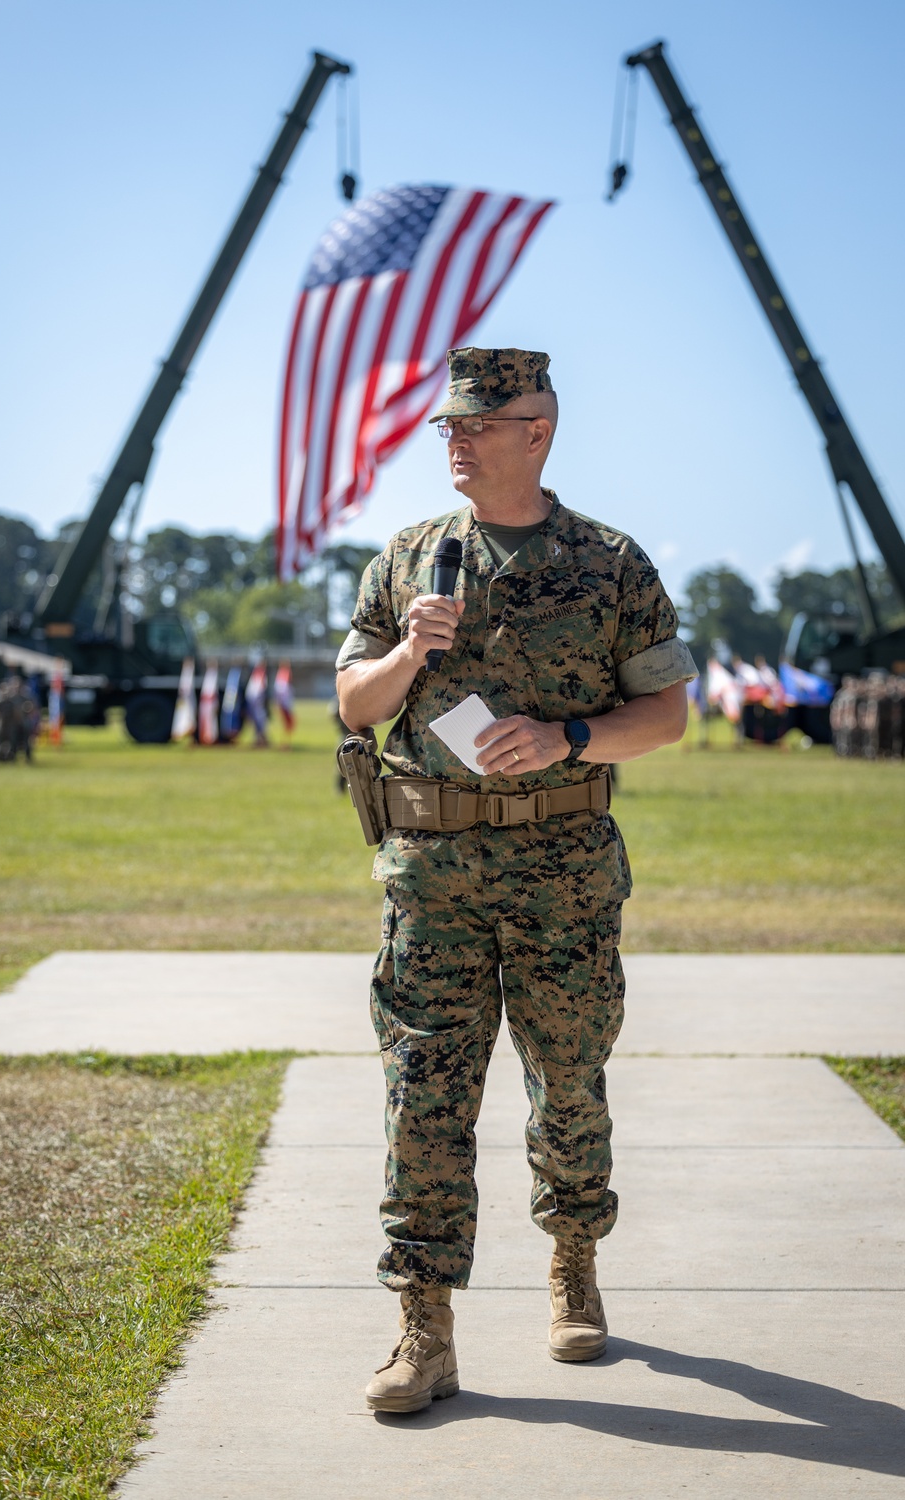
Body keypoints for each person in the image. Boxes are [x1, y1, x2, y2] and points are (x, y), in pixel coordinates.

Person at [336, 347, 697, 1415]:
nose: (453, 439)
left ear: (535, 429)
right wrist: (406, 656)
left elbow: (667, 715)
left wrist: (569, 736)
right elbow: (352, 705)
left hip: (562, 877)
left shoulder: (609, 562)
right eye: (448, 426)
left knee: (569, 1078)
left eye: (476, 425)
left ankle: (573, 1259)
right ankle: (422, 1327)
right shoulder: (408, 558)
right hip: (433, 880)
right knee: (422, 1094)